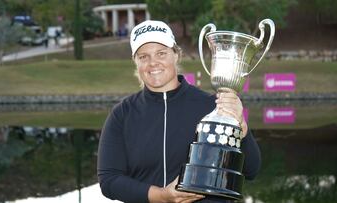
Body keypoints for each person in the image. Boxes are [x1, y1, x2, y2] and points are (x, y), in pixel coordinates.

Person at [97, 20, 261, 203]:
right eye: (143, 56)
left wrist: (242, 128)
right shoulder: (122, 114)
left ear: (176, 54)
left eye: (161, 53)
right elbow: (109, 180)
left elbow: (251, 170)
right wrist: (161, 196)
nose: (153, 63)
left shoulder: (212, 107)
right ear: (135, 62)